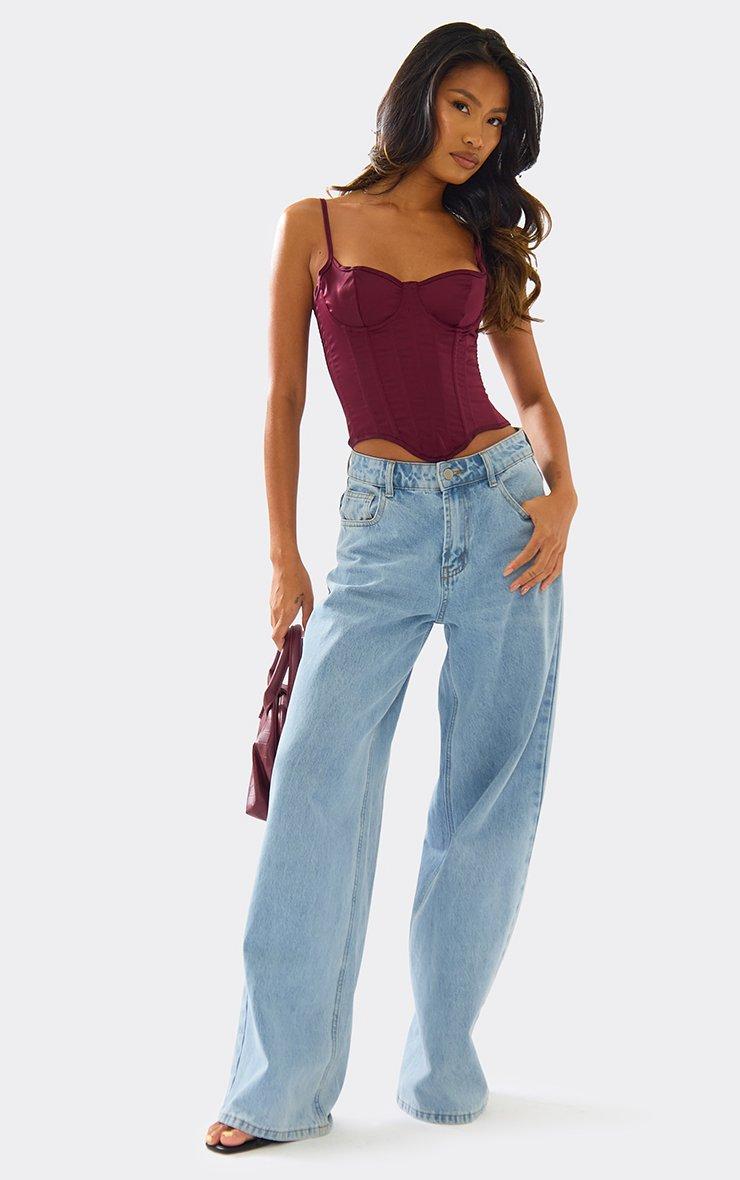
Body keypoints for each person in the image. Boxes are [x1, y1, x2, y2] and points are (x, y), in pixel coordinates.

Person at [206, 20, 577, 1154]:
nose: (475, 135)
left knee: (488, 798)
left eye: (495, 121)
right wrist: (283, 555)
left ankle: (442, 1066)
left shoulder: (481, 238)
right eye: (462, 106)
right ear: (415, 100)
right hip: (377, 530)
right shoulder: (313, 224)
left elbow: (530, 394)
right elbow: (284, 402)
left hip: (504, 515)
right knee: (313, 795)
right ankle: (274, 1091)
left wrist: (563, 494)